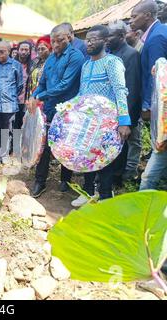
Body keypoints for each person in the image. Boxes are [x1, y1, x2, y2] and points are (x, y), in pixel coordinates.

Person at [71, 25, 131, 207]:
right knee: (87, 158)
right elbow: (82, 92)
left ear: (105, 41)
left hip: (107, 124)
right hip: (88, 124)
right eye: (87, 39)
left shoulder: (113, 62)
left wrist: (124, 121)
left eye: (93, 39)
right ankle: (89, 193)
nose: (88, 43)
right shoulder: (87, 65)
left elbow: (121, 91)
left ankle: (105, 198)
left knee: (104, 162)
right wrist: (69, 108)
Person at [28, 25, 85, 198]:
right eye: (53, 40)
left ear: (70, 38)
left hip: (68, 110)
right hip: (49, 109)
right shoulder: (51, 58)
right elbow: (43, 82)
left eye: (60, 40)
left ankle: (65, 180)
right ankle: (40, 181)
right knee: (43, 145)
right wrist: (34, 95)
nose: (56, 44)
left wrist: (40, 96)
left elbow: (65, 85)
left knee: (65, 145)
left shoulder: (76, 57)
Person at [107, 21, 142, 183]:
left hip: (124, 114)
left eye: (110, 35)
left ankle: (120, 180)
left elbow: (133, 90)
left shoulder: (130, 55)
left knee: (124, 147)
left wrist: (126, 120)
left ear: (121, 36)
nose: (106, 39)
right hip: (110, 113)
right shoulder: (110, 54)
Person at [0, 41, 23, 171]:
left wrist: (10, 96)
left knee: (7, 131)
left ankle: (5, 156)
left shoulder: (16, 65)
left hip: (9, 105)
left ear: (9, 52)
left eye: (2, 51)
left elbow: (19, 85)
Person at [130, 0, 167, 119]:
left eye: (134, 17)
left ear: (147, 15)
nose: (131, 21)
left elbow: (156, 76)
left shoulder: (156, 37)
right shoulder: (157, 32)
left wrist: (148, 106)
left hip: (160, 106)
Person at [15, 41, 34, 131]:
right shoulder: (12, 64)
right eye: (21, 49)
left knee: (24, 127)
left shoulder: (33, 66)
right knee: (14, 126)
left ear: (30, 51)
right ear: (18, 50)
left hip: (26, 102)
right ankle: (13, 144)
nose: (23, 52)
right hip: (13, 101)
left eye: (26, 49)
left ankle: (21, 145)